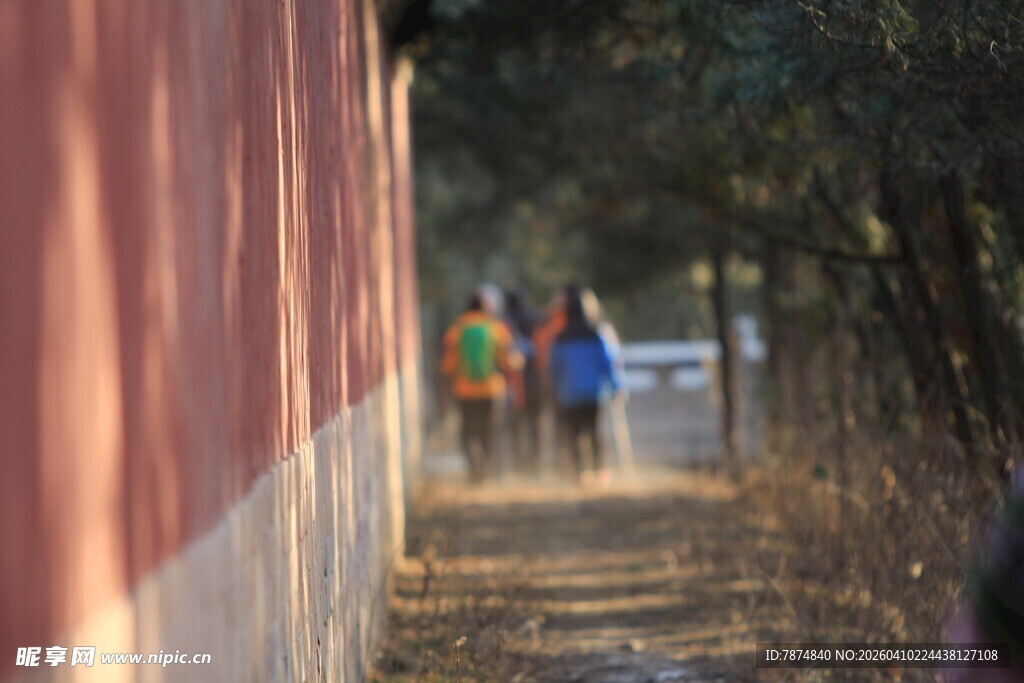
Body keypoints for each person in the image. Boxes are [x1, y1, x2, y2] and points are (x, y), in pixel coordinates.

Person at [441, 292, 521, 482]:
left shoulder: (456, 330)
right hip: (491, 389)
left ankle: (473, 469)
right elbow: (508, 361)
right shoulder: (497, 328)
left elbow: (448, 365)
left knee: (469, 431)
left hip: (464, 390)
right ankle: (488, 470)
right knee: (489, 431)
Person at [549, 286, 622, 484]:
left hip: (570, 393)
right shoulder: (595, 335)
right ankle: (600, 471)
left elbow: (554, 367)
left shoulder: (561, 337)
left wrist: (555, 389)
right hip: (593, 392)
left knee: (575, 434)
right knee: (595, 432)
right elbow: (607, 363)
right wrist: (616, 387)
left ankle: (580, 473)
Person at [504, 288, 542, 471]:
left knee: (516, 426)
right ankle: (535, 462)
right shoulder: (535, 320)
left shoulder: (505, 323)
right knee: (534, 424)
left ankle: (520, 464)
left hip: (513, 382)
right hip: (534, 380)